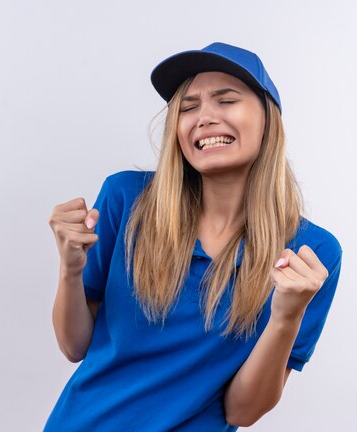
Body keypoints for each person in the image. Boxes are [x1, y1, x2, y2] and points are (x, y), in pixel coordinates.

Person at [45, 42, 343, 431]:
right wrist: (70, 269)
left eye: (226, 100)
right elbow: (74, 346)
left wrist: (286, 317)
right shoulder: (124, 199)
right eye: (188, 107)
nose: (204, 117)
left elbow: (242, 412)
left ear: (268, 119)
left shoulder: (311, 254)